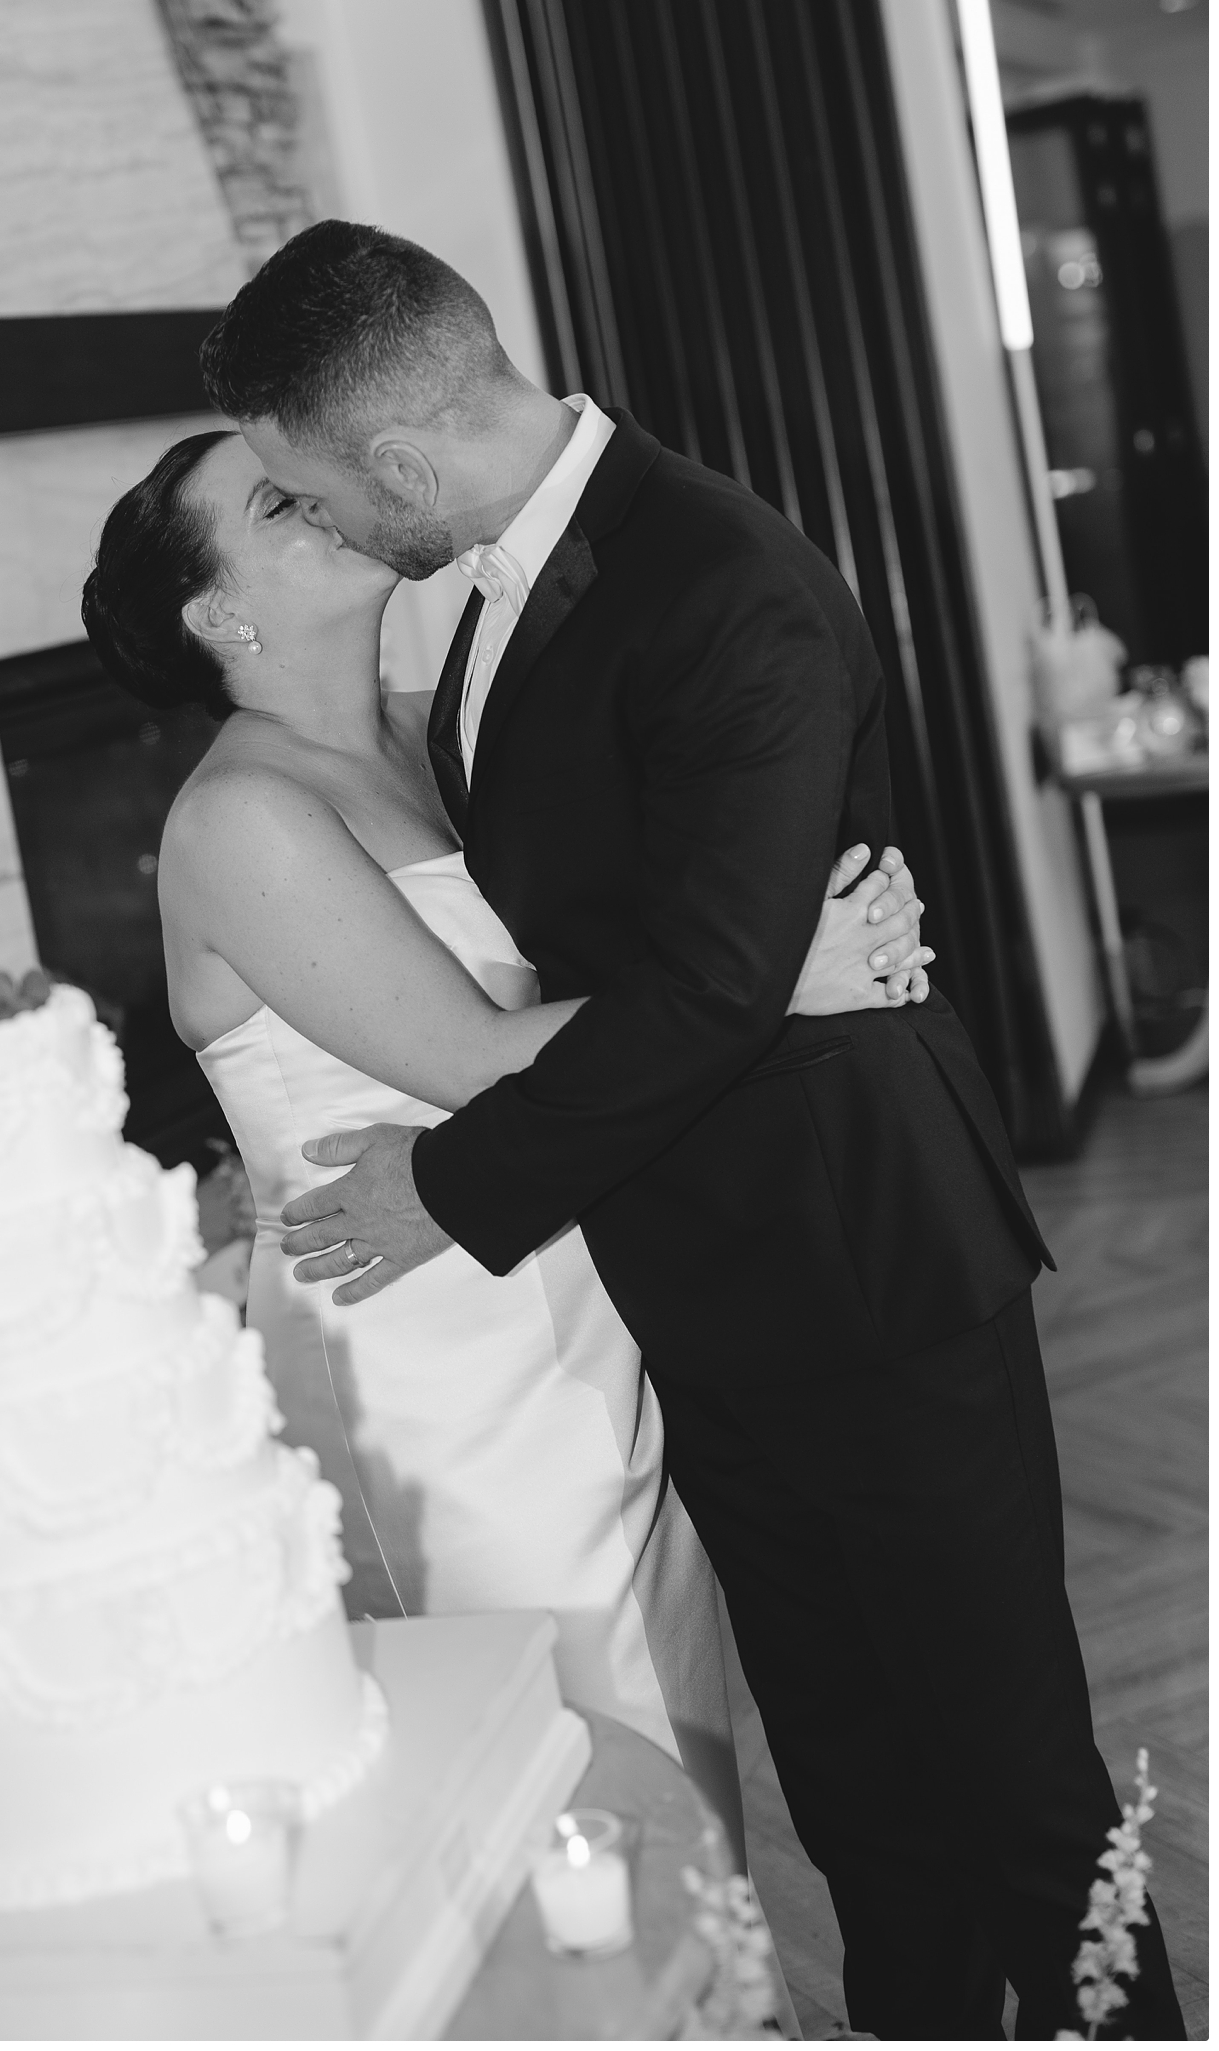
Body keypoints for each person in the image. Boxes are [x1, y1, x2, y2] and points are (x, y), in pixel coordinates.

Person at [194, 220, 1187, 2044]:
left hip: (865, 1267)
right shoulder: (485, 595)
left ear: (396, 459)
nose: (322, 525)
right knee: (866, 1797)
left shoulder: (721, 576)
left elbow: (725, 985)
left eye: (313, 491)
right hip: (704, 1283)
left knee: (1016, 1784)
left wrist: (447, 1185)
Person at [81, 427, 926, 1915]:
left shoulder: (430, 726)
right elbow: (475, 1056)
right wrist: (783, 977)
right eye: (280, 503)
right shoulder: (238, 818)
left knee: (676, 1726)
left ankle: (707, 1992)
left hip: (575, 1273)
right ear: (221, 616)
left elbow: (611, 943)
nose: (329, 495)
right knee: (577, 1744)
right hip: (426, 1352)